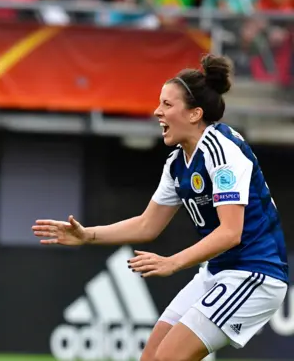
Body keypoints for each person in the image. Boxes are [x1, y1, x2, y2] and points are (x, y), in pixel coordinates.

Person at [32, 54, 288, 361]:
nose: (157, 112)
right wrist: (88, 235)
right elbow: (147, 225)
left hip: (255, 273)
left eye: (167, 104)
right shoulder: (178, 163)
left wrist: (173, 263)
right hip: (218, 271)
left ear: (194, 114)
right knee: (151, 358)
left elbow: (231, 233)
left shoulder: (222, 152)